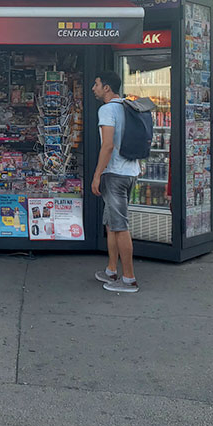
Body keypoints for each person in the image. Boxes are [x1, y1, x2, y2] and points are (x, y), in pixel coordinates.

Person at [91, 71, 141, 294]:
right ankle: (112, 270)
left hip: (115, 174)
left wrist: (97, 174)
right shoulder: (127, 106)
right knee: (111, 223)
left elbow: (108, 145)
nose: (94, 88)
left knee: (119, 226)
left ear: (107, 88)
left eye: (97, 83)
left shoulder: (107, 109)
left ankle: (129, 278)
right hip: (130, 171)